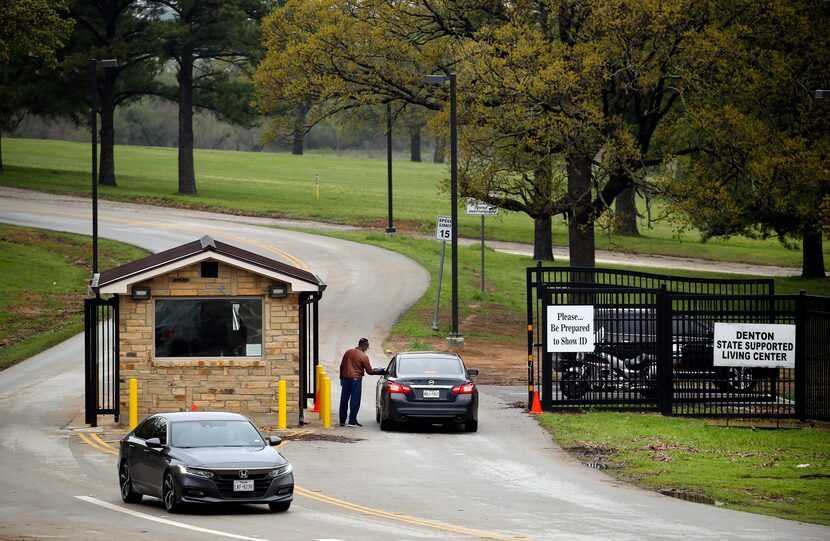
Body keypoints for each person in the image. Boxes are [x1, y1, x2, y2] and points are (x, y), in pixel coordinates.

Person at [339, 338, 382, 427]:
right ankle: (352, 421)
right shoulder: (363, 356)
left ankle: (342, 421)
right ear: (364, 346)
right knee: (355, 400)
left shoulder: (348, 352)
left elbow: (342, 366)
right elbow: (369, 371)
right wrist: (380, 371)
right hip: (356, 380)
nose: (367, 349)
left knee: (344, 400)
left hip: (346, 378)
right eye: (367, 347)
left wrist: (341, 378)